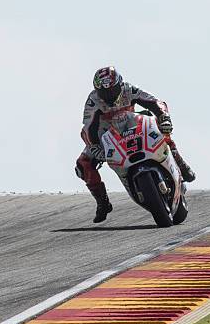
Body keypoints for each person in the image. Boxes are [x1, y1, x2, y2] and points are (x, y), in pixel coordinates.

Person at [75, 66, 196, 223]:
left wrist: (163, 116)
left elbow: (154, 102)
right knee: (82, 164)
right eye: (104, 93)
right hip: (106, 136)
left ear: (120, 84)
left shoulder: (129, 89)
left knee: (161, 129)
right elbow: (88, 128)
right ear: (97, 91)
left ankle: (179, 163)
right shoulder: (93, 101)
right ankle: (102, 202)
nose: (109, 96)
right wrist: (95, 146)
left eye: (112, 90)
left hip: (133, 124)